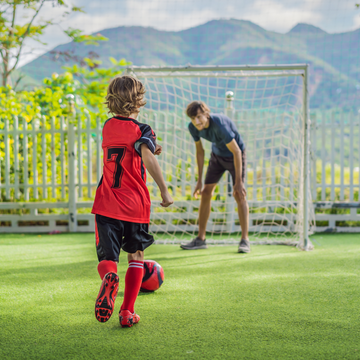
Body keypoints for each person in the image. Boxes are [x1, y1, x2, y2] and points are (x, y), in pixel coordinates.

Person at [92, 75, 173, 328]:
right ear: (139, 101)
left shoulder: (107, 126)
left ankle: (109, 276)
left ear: (112, 100)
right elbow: (145, 155)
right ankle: (127, 311)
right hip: (135, 205)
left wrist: (147, 148)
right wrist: (164, 190)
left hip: (107, 201)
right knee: (136, 255)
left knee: (108, 257)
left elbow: (126, 148)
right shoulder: (143, 130)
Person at [180, 101, 250, 253]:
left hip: (235, 156)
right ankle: (200, 239)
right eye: (193, 118)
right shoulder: (193, 128)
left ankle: (245, 240)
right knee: (205, 193)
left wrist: (239, 182)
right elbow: (200, 152)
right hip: (217, 156)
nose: (196, 121)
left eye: (199, 117)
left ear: (206, 114)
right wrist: (199, 181)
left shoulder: (218, 124)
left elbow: (237, 152)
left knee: (239, 194)